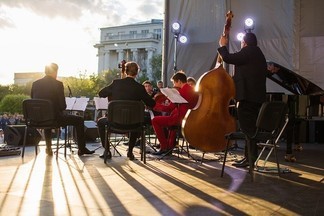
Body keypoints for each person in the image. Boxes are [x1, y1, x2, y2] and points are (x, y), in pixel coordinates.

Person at [218, 32, 267, 167]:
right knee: (250, 129)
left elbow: (227, 57)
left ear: (244, 42)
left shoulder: (248, 52)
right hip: (256, 97)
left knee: (248, 130)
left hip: (247, 98)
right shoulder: (259, 54)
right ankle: (249, 158)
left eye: (241, 42)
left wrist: (222, 45)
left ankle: (250, 159)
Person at [31, 63, 95, 156]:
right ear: (55, 71)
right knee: (79, 120)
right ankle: (81, 149)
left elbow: (33, 101)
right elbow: (63, 106)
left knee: (46, 117)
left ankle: (48, 149)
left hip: (38, 119)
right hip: (55, 119)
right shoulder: (58, 84)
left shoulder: (35, 84)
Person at [97, 61, 156, 160]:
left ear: (125, 71)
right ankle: (130, 151)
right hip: (134, 125)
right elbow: (152, 104)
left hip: (114, 122)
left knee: (100, 122)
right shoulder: (140, 88)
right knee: (136, 118)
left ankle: (107, 150)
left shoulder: (116, 83)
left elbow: (101, 93)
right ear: (137, 73)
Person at [151, 71, 198, 155]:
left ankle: (164, 147)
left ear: (179, 81)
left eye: (174, 83)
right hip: (189, 117)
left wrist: (155, 106)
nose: (174, 85)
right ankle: (169, 146)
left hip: (181, 118)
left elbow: (169, 108)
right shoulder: (191, 89)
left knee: (155, 120)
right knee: (171, 117)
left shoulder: (182, 91)